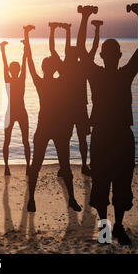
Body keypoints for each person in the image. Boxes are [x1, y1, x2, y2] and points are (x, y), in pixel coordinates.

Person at [78, 4, 138, 245]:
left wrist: (86, 17)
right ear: (116, 56)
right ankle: (112, 228)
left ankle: (114, 228)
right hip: (111, 137)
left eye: (111, 52)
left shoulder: (111, 75)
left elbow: (80, 49)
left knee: (115, 184)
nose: (110, 55)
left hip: (113, 137)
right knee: (108, 184)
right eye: (111, 52)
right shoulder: (119, 74)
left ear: (109, 56)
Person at [24, 24, 82, 213]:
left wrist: (26, 38)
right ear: (54, 69)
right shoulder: (60, 81)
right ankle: (70, 198)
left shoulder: (44, 82)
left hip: (48, 128)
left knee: (38, 164)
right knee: (62, 165)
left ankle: (33, 199)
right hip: (56, 129)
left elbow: (30, 62)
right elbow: (33, 63)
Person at [49, 20, 100, 176]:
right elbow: (93, 48)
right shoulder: (80, 67)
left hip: (71, 108)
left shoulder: (66, 67)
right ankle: (80, 166)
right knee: (80, 139)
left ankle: (69, 167)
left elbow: (53, 49)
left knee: (68, 139)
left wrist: (55, 31)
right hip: (77, 108)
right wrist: (96, 29)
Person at [0, 39, 31, 176]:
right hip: (13, 112)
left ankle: (27, 166)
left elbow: (23, 64)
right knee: (10, 140)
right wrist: (3, 50)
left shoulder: (16, 79)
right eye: (14, 69)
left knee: (23, 140)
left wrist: (24, 49)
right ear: (14, 70)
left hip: (17, 112)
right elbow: (6, 65)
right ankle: (7, 166)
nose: (14, 70)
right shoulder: (12, 79)